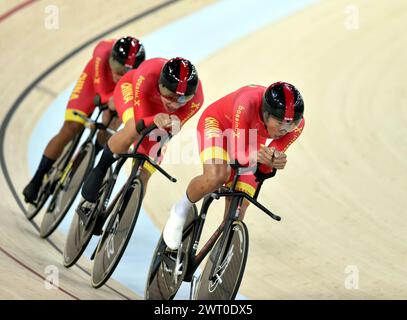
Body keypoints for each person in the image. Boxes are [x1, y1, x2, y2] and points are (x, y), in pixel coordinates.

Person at [163, 81, 305, 250]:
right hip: (219, 125)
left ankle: (220, 255)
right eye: (280, 122)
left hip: (250, 137)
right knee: (217, 176)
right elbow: (238, 155)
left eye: (291, 124)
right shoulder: (247, 101)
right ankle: (180, 209)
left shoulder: (297, 126)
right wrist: (258, 156)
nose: (284, 129)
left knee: (241, 200)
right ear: (266, 114)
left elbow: (266, 165)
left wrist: (273, 160)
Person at [23, 36, 146, 204]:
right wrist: (110, 101)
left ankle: (90, 156)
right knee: (71, 128)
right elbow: (101, 91)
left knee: (109, 128)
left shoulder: (138, 77)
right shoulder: (102, 51)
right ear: (111, 58)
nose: (119, 74)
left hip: (120, 91)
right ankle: (36, 180)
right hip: (93, 83)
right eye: (118, 67)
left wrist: (114, 107)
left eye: (127, 71)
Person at [77, 57, 204, 216]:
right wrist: (155, 119)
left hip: (159, 113)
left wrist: (170, 127)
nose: (174, 103)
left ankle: (124, 217)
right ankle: (101, 168)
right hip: (133, 92)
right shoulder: (148, 72)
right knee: (132, 129)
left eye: (183, 99)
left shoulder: (197, 99)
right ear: (160, 84)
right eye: (169, 94)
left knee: (145, 171)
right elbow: (140, 122)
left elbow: (173, 129)